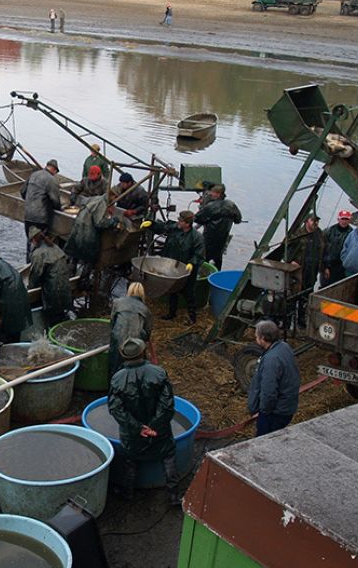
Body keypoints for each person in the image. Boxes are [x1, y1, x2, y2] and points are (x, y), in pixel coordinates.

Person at [109, 337, 178, 500]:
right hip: (159, 431)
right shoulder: (158, 372)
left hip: (133, 435)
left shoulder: (117, 379)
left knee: (130, 460)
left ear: (123, 355)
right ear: (143, 352)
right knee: (168, 456)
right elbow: (167, 404)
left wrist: (138, 428)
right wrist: (154, 426)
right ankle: (174, 495)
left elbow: (116, 410)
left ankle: (127, 493)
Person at [148, 210, 205, 323]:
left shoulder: (196, 237)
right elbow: (163, 227)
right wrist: (151, 224)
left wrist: (192, 263)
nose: (178, 221)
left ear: (187, 223)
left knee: (189, 293)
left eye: (180, 220)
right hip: (171, 266)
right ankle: (171, 314)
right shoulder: (175, 229)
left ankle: (192, 318)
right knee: (172, 291)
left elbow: (199, 253)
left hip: (187, 270)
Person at [246, 320, 300, 437]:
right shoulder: (284, 347)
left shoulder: (271, 360)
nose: (255, 338)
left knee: (264, 440)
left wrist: (263, 412)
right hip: (288, 406)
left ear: (263, 338)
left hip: (275, 413)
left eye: (256, 336)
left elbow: (269, 391)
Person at [64, 194, 119, 286]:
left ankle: (68, 278)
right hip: (88, 234)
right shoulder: (102, 203)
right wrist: (113, 221)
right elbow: (99, 223)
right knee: (89, 259)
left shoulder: (96, 198)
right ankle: (83, 283)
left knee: (74, 255)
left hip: (78, 229)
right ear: (112, 196)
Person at [0, 249, 32, 343]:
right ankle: (16, 344)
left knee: (8, 329)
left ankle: (7, 345)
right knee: (16, 329)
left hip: (10, 303)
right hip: (22, 300)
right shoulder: (5, 264)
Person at [28, 227, 72, 326]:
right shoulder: (55, 247)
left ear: (34, 240)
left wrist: (30, 290)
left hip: (52, 292)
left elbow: (35, 274)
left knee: (52, 320)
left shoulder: (38, 253)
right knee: (61, 316)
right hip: (65, 288)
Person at [108, 282, 152, 380]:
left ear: (128, 291)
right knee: (134, 370)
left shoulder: (117, 302)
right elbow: (148, 333)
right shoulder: (145, 310)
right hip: (136, 343)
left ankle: (112, 384)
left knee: (114, 367)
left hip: (118, 339)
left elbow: (112, 323)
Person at [194, 183, 242, 271]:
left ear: (218, 194)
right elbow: (238, 220)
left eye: (212, 192)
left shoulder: (210, 206)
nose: (211, 194)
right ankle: (216, 275)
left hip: (209, 239)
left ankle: (201, 278)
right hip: (222, 240)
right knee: (218, 259)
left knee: (204, 259)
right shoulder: (231, 205)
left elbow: (197, 219)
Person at [287, 214, 324, 326]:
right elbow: (287, 249)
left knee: (306, 295)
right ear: (306, 221)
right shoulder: (298, 234)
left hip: (312, 269)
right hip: (298, 270)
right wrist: (290, 261)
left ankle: (301, 320)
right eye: (313, 220)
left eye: (317, 221)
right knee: (292, 295)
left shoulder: (319, 234)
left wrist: (322, 267)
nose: (315, 223)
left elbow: (322, 250)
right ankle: (288, 321)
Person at [20, 159, 62, 259]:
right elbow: (55, 201)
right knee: (40, 244)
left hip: (28, 215)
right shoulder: (51, 180)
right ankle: (37, 263)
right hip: (41, 218)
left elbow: (22, 192)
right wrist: (60, 208)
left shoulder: (33, 175)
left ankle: (28, 264)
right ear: (54, 170)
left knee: (30, 241)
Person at [321, 210, 354, 286]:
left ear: (349, 220)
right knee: (324, 286)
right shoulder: (329, 231)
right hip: (328, 266)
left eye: (346, 219)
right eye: (342, 219)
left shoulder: (352, 234)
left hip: (342, 267)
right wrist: (324, 267)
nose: (344, 221)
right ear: (338, 219)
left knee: (338, 286)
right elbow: (322, 250)